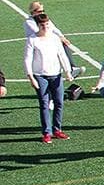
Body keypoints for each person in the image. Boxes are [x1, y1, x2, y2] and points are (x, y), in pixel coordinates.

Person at [24, 12, 73, 143]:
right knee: (44, 104)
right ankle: (47, 132)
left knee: (59, 102)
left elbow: (62, 55)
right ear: (38, 26)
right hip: (40, 76)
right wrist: (31, 77)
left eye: (47, 24)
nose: (45, 27)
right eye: (42, 25)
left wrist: (68, 71)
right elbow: (27, 59)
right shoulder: (32, 39)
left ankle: (57, 129)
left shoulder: (54, 38)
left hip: (56, 74)